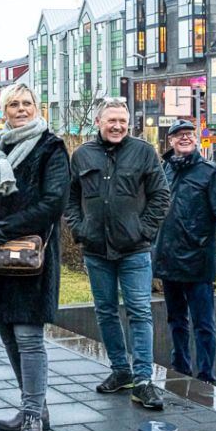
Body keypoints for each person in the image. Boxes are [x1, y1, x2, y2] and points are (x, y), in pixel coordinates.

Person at [0, 83, 69, 431]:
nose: (21, 109)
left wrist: (6, 228)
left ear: (37, 108)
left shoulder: (51, 148)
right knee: (10, 337)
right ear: (4, 111)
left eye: (27, 103)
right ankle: (35, 407)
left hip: (31, 260)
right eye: (13, 104)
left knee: (28, 338)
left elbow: (53, 203)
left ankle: (32, 420)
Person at [65, 98, 170, 409]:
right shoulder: (82, 155)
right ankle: (120, 371)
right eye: (111, 120)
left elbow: (161, 195)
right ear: (98, 122)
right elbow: (70, 197)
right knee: (106, 311)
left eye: (122, 121)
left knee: (139, 311)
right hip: (96, 250)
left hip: (134, 250)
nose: (117, 126)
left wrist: (143, 230)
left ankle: (143, 380)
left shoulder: (144, 152)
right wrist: (80, 229)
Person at [154, 120, 216, 385]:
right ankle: (180, 370)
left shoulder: (209, 172)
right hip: (169, 258)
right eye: (178, 135)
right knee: (176, 320)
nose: (185, 138)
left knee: (204, 324)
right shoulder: (164, 170)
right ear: (170, 141)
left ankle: (205, 377)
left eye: (189, 134)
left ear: (196, 138)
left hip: (199, 260)